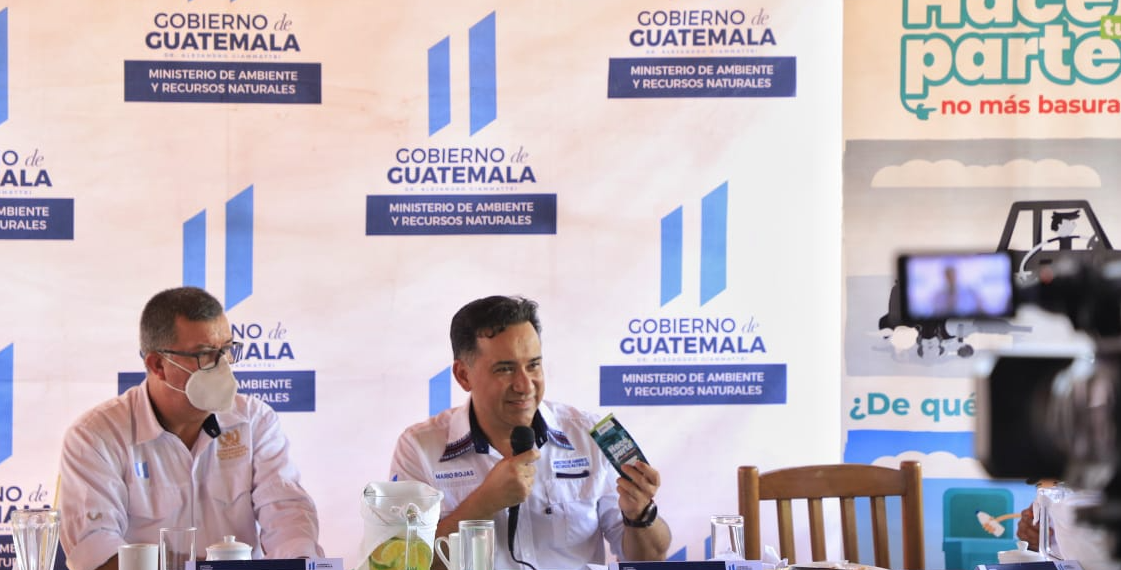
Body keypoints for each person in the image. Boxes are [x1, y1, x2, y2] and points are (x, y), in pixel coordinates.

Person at [389, 295, 671, 570]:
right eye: (505, 369)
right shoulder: (419, 448)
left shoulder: (588, 434)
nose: (525, 386)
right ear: (464, 375)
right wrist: (483, 503)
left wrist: (640, 515)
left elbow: (650, 559)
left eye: (533, 365)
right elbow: (400, 564)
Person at [58, 287, 323, 570]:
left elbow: (287, 514)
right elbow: (95, 551)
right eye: (205, 354)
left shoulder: (255, 420)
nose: (223, 366)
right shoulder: (95, 437)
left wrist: (299, 561)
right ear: (158, 364)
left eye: (227, 350)